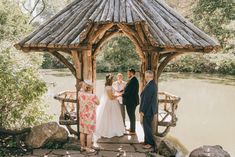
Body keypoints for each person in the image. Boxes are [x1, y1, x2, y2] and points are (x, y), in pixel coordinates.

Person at [95, 74, 125, 138]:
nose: (113, 80)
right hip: (110, 104)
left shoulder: (109, 86)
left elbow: (112, 94)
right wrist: (119, 95)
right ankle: (110, 131)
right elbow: (111, 97)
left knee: (113, 117)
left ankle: (115, 129)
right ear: (110, 80)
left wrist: (118, 93)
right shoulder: (108, 87)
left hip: (112, 103)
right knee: (110, 117)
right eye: (112, 79)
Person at [78, 80, 100, 153]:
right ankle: (88, 148)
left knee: (82, 131)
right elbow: (98, 103)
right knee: (89, 132)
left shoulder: (80, 94)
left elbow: (80, 94)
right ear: (91, 88)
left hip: (82, 114)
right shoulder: (93, 96)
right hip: (90, 116)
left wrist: (83, 88)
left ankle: (82, 147)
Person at [140, 70, 158, 151]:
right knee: (146, 125)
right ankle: (146, 141)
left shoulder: (150, 85)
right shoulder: (152, 84)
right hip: (149, 109)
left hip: (148, 110)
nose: (145, 77)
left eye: (145, 76)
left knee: (146, 126)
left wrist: (142, 110)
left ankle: (150, 143)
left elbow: (147, 100)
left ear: (148, 76)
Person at [122, 69, 139, 134]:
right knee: (131, 115)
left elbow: (130, 92)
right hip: (131, 100)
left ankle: (133, 130)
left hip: (131, 101)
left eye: (128, 73)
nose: (127, 74)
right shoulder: (132, 80)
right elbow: (127, 89)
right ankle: (132, 128)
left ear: (132, 73)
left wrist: (121, 95)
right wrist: (122, 92)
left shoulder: (133, 81)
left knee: (131, 115)